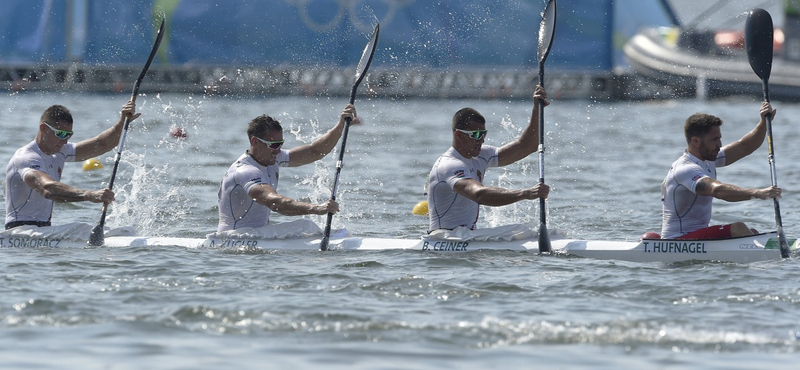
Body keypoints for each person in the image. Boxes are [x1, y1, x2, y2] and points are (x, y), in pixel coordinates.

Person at [426, 86, 551, 232]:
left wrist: (536, 109)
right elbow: (479, 194)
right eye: (476, 135)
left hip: (467, 236)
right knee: (517, 230)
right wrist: (525, 193)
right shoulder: (449, 165)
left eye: (483, 134)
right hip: (444, 237)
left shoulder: (481, 155)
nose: (482, 140)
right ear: (458, 135)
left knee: (519, 231)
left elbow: (526, 146)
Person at [217, 105, 356, 232]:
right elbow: (274, 202)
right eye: (273, 145)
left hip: (257, 234)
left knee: (307, 227)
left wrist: (341, 125)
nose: (278, 151)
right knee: (305, 226)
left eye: (280, 144)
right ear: (255, 142)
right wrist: (317, 208)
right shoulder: (245, 171)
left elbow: (315, 151)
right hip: (233, 237)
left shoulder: (273, 157)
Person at [5, 102, 140, 229]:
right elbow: (48, 189)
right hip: (19, 231)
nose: (65, 140)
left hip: (43, 230)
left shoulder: (59, 151)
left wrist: (122, 122)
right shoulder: (26, 158)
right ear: (43, 128)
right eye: (61, 134)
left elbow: (102, 144)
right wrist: (89, 195)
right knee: (86, 229)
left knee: (124, 231)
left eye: (69, 135)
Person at [660, 102, 782, 239]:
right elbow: (717, 190)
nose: (719, 144)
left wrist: (763, 123)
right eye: (714, 139)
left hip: (696, 237)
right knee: (738, 228)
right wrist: (759, 193)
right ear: (695, 141)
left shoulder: (708, 158)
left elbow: (745, 146)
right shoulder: (685, 169)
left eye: (719, 138)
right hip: (678, 240)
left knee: (751, 232)